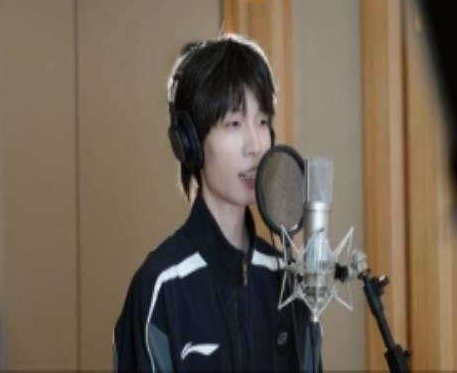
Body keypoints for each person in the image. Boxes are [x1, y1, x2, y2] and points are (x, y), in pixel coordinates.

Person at [113, 34, 311, 371]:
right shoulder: (160, 286)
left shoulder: (287, 281)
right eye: (234, 123)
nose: (254, 145)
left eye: (262, 122)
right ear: (189, 142)